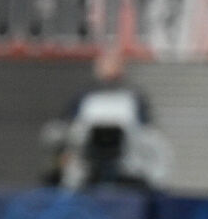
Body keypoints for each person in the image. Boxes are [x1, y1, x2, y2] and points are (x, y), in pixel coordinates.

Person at [43, 45, 170, 190]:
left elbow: (147, 130)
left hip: (128, 161)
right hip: (85, 160)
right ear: (97, 67)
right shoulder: (83, 95)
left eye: (114, 63)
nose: (109, 67)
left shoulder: (134, 96)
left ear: (122, 67)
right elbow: (65, 125)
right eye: (106, 63)